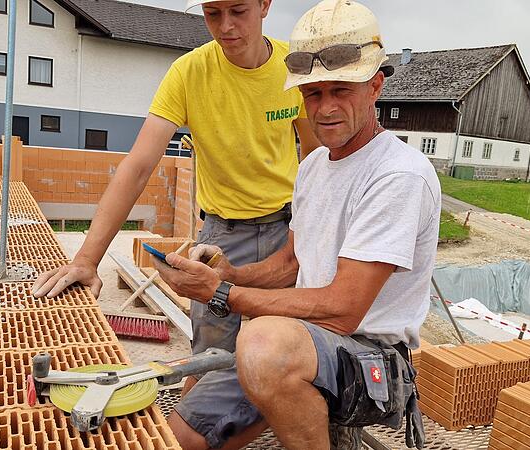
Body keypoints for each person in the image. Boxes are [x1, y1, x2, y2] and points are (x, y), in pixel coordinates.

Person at [152, 1, 438, 448]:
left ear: (375, 86)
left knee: (263, 342)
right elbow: (290, 263)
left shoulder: (397, 174)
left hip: (371, 361)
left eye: (341, 90)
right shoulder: (314, 165)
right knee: (178, 440)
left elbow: (345, 309)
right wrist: (227, 274)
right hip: (303, 345)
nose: (324, 109)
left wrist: (224, 295)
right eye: (313, 94)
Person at [31, 0, 318, 375]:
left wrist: (311, 239)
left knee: (290, 348)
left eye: (238, 11)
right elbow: (137, 167)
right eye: (213, 14)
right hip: (222, 235)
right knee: (211, 356)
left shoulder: (293, 69)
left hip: (287, 228)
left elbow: (317, 160)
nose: (226, 26)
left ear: (264, 5)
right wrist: (86, 259)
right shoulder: (189, 73)